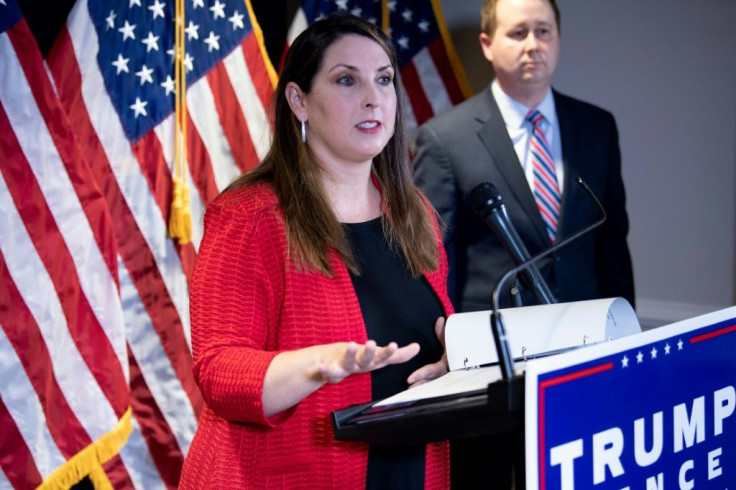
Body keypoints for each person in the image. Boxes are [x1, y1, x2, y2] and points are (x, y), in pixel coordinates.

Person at [179, 13, 452, 489]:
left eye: (383, 80)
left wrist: (459, 358)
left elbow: (437, 336)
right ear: (299, 100)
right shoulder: (249, 217)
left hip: (410, 471)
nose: (373, 98)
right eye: (347, 79)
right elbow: (218, 372)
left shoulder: (415, 214)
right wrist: (316, 365)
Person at [412, 0, 635, 487]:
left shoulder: (597, 126)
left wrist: (627, 345)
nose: (533, 45)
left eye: (543, 31)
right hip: (494, 366)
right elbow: (433, 261)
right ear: (488, 45)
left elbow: (613, 246)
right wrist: (448, 349)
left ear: (557, 38)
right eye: (518, 33)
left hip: (584, 355)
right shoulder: (445, 139)